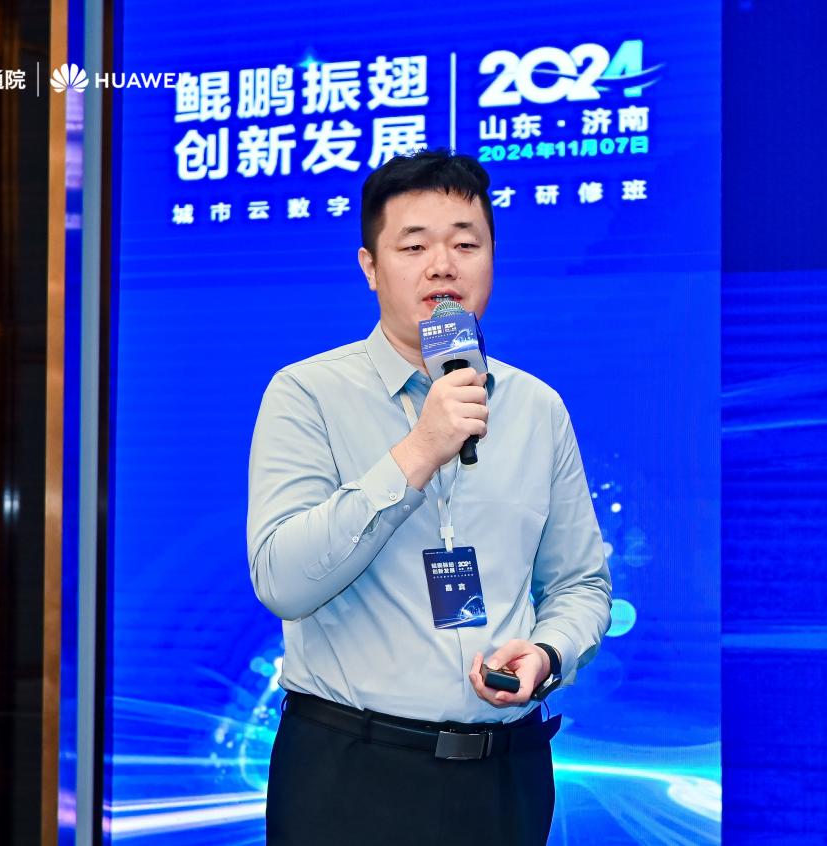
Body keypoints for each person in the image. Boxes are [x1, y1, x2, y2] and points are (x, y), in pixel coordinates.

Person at [247, 148, 612, 846]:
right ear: (370, 267)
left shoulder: (537, 408)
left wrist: (547, 653)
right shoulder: (306, 394)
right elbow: (282, 581)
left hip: (506, 778)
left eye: (465, 245)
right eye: (413, 246)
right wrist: (418, 451)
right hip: (349, 774)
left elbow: (581, 584)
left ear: (491, 259)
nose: (442, 266)